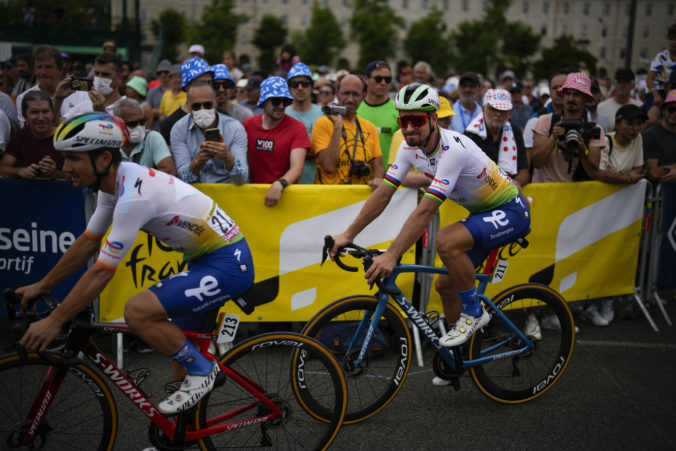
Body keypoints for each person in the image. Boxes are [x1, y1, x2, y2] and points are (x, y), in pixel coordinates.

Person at [17, 112, 254, 415]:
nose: (66, 168)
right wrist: (42, 285)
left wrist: (55, 320)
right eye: (65, 158)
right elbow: (89, 241)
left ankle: (206, 371)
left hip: (227, 264)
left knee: (138, 312)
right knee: (180, 360)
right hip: (204, 260)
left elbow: (102, 271)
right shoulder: (115, 182)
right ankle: (180, 439)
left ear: (103, 159)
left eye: (73, 159)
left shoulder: (133, 198)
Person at [329, 83, 530, 366]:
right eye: (403, 120)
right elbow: (384, 193)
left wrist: (392, 254)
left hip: (510, 210)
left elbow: (425, 211)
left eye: (417, 120)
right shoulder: (409, 148)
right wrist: (347, 235)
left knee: (446, 241)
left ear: (433, 119)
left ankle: (473, 313)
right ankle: (459, 360)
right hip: (482, 214)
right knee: (445, 286)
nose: (409, 127)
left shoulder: (453, 150)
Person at [243, 76, 310, 206]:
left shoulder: (297, 128)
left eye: (284, 102)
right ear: (264, 101)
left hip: (286, 196)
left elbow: (297, 167)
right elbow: (245, 163)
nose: (281, 106)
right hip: (253, 196)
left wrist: (280, 184)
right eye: (275, 101)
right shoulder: (248, 125)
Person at [531, 72, 605, 183]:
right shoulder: (546, 122)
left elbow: (593, 172)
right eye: (567, 94)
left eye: (576, 95)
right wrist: (553, 139)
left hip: (576, 195)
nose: (570, 99)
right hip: (546, 192)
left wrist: (582, 150)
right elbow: (537, 163)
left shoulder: (594, 129)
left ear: (585, 98)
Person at [312, 74, 384, 186]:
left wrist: (378, 179)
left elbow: (379, 167)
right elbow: (329, 166)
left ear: (363, 96)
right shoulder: (323, 123)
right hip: (329, 198)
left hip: (359, 199)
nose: (350, 99)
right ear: (337, 94)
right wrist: (337, 126)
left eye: (355, 94)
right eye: (345, 93)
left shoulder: (370, 127)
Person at [171, 81, 248, 184]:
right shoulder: (179, 129)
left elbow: (242, 179)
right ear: (188, 107)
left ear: (215, 103)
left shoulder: (235, 128)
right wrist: (198, 161)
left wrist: (228, 158)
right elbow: (183, 177)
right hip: (196, 194)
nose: (202, 110)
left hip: (227, 194)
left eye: (207, 105)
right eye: (196, 106)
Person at [464, 89, 530, 188]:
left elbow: (524, 171)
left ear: (510, 113)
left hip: (508, 190)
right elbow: (467, 174)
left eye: (503, 110)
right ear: (483, 109)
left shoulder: (515, 132)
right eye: (493, 109)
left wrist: (517, 182)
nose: (498, 114)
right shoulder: (471, 134)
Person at [15, 46, 88, 127]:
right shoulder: (23, 98)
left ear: (60, 70)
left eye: (48, 67)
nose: (43, 72)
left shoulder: (81, 93)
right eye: (39, 67)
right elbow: (27, 131)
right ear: (34, 70)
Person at [0, 90, 63, 179]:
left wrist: (55, 173)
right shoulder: (21, 136)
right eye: (34, 112)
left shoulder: (66, 136)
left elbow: (81, 174)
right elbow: (2, 168)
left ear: (52, 113)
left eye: (45, 112)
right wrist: (21, 171)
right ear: (24, 116)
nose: (41, 118)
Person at [55, 53, 126, 122]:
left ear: (119, 78)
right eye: (97, 73)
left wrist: (101, 112)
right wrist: (58, 99)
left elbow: (124, 133)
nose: (99, 78)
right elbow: (58, 126)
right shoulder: (84, 105)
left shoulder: (128, 107)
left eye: (105, 74)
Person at [114, 98, 176, 175]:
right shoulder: (110, 142)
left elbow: (169, 172)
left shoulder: (152, 138)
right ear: (119, 124)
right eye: (132, 124)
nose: (139, 127)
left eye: (142, 122)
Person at [160, 58, 214, 146]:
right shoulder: (170, 124)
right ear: (186, 87)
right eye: (201, 83)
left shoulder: (223, 116)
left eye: (209, 82)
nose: (207, 87)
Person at [284, 63, 323, 184]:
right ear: (289, 87)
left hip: (317, 184)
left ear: (312, 87)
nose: (300, 87)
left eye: (305, 83)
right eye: (295, 84)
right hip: (288, 184)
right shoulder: (281, 114)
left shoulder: (323, 114)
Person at [357, 60, 400, 166]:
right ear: (366, 79)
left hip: (389, 179)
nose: (383, 83)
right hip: (358, 179)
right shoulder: (355, 109)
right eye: (378, 79)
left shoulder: (398, 111)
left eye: (388, 79)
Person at [643, 90, 676, 183]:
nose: (675, 113)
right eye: (671, 109)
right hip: (659, 193)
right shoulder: (650, 135)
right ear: (663, 110)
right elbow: (653, 173)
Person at [645, 23, 676, 112]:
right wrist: (656, 95)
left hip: (673, 91)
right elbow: (649, 78)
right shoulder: (662, 57)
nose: (674, 42)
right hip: (659, 90)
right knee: (653, 118)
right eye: (671, 38)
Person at [147, 60, 173, 131]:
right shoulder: (152, 92)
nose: (163, 75)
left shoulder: (176, 91)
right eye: (160, 72)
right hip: (155, 128)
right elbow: (147, 112)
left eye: (166, 72)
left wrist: (157, 112)